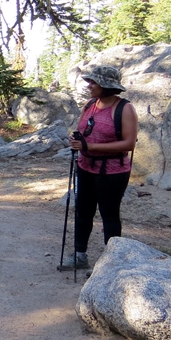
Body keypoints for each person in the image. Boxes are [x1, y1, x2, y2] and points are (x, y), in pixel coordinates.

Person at [61, 65, 138, 270]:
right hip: (85, 166)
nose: (89, 85)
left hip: (112, 172)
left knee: (109, 214)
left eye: (93, 82)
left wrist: (90, 146)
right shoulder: (90, 105)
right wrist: (77, 140)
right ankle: (79, 256)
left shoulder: (124, 108)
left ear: (106, 85)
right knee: (83, 211)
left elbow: (129, 143)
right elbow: (81, 131)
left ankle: (111, 264)